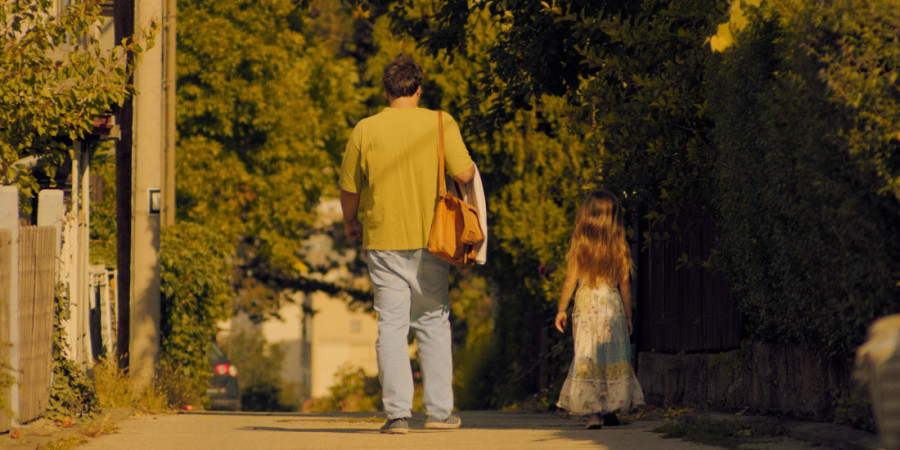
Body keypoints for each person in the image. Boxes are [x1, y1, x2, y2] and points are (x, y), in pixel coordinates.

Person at [339, 53, 475, 434]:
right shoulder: (439, 122)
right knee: (433, 320)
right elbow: (464, 172)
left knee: (392, 327)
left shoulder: (365, 129)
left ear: (386, 91)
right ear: (418, 88)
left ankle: (397, 414)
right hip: (432, 238)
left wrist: (351, 221)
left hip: (382, 239)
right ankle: (439, 413)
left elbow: (349, 188)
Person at [554, 190, 645, 429]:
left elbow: (570, 280)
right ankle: (611, 409)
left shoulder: (580, 243)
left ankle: (592, 413)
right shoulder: (618, 245)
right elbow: (625, 284)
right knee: (613, 357)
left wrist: (562, 309)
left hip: (585, 308)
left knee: (588, 357)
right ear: (613, 219)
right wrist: (628, 316)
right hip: (612, 309)